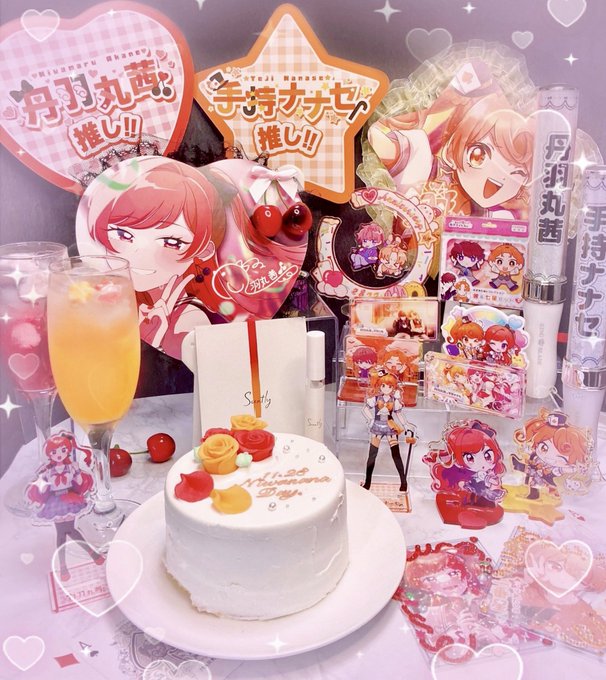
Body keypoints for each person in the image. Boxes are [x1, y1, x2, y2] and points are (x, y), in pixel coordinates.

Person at [368, 90, 534, 219]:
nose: (496, 181)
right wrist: (428, 110)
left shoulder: (497, 218)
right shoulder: (421, 163)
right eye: (479, 156)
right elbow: (377, 137)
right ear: (452, 147)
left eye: (518, 173)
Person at [26, 433, 104, 580]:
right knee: (65, 532)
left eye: (62, 450)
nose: (58, 454)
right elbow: (42, 487)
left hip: (69, 498)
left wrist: (78, 472)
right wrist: (38, 488)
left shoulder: (71, 467)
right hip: (55, 501)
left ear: (67, 451)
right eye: (54, 452)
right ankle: (90, 555)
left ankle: (65, 566)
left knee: (66, 531)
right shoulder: (47, 471)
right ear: (49, 454)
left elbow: (79, 481)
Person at [511, 410, 592, 500]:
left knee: (535, 475)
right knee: (533, 473)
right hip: (542, 472)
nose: (549, 457)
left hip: (553, 478)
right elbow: (533, 456)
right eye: (543, 447)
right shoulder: (540, 458)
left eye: (561, 455)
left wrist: (564, 470)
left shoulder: (568, 467)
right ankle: (533, 492)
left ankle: (521, 467)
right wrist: (528, 451)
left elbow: (573, 469)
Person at [426, 420, 506, 506]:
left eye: (487, 456)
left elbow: (492, 481)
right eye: (470, 458)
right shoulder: (470, 475)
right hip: (473, 489)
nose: (482, 464)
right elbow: (486, 479)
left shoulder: (488, 472)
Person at [362, 370, 413, 492]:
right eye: (383, 385)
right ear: (379, 385)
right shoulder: (375, 399)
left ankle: (403, 482)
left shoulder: (394, 401)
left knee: (396, 454)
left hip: (390, 426)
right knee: (372, 455)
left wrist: (406, 425)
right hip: (377, 426)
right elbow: (365, 409)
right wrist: (371, 419)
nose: (386, 389)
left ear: (393, 388)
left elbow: (398, 413)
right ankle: (367, 483)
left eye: (390, 386)